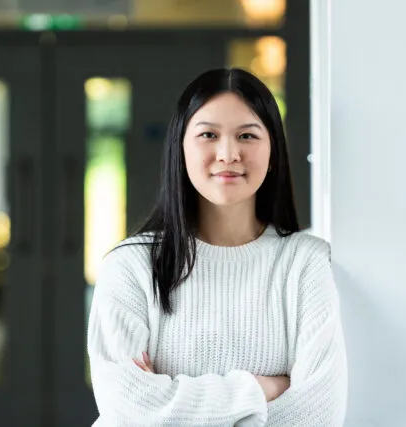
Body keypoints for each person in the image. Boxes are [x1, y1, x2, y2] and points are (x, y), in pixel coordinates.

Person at [86, 68, 347, 426]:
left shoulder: (306, 263)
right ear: (181, 147)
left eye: (247, 135)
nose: (228, 154)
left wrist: (169, 403)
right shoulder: (131, 265)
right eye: (208, 134)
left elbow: (316, 415)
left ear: (273, 152)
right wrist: (260, 390)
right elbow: (126, 408)